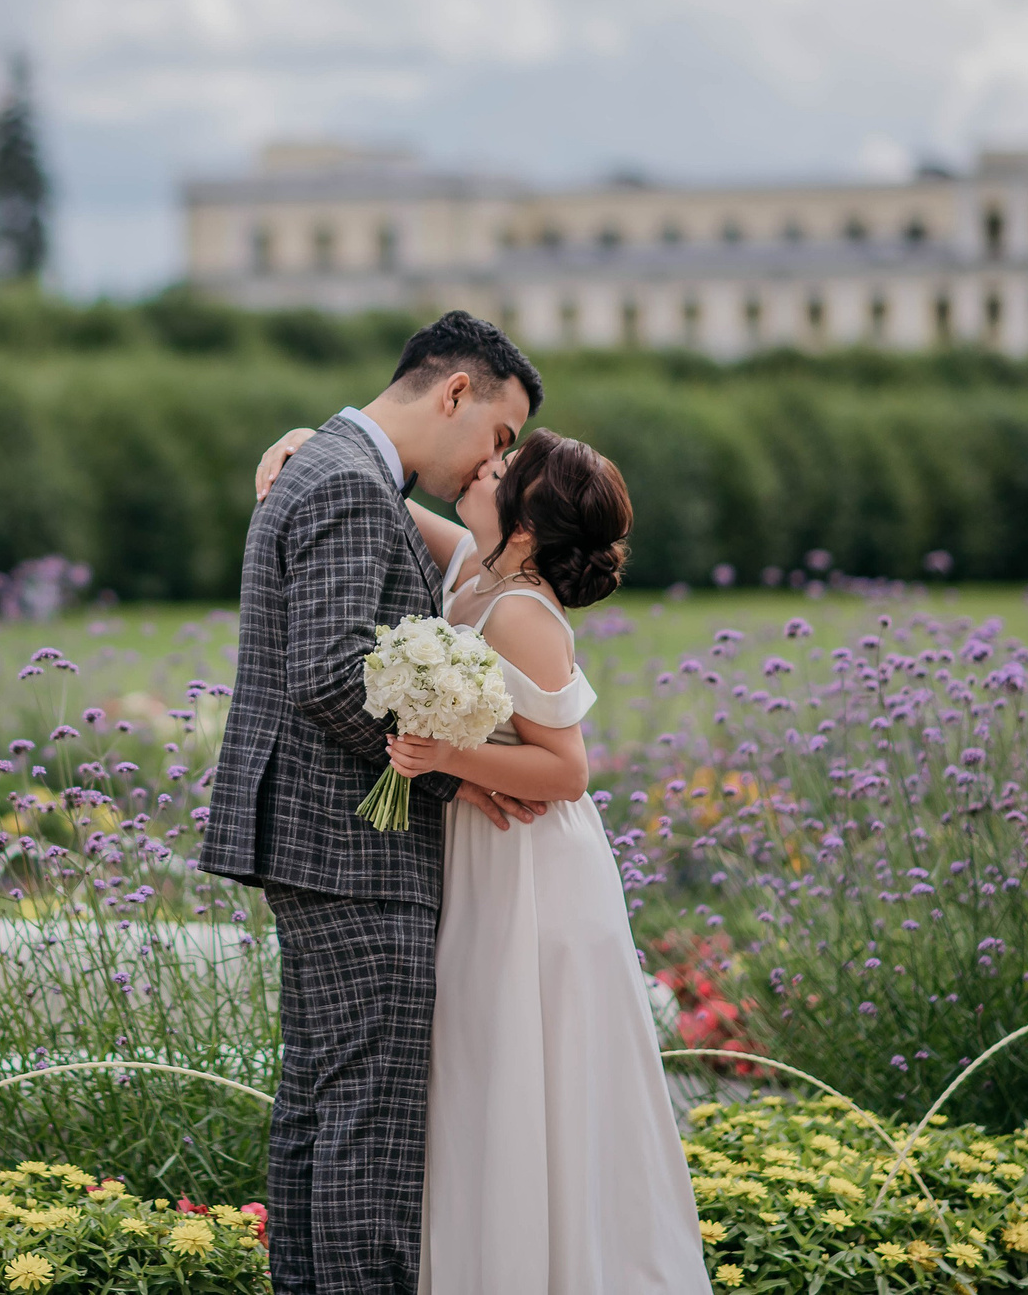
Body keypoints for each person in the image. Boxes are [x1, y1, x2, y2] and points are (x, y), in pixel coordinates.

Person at [251, 426, 712, 1295]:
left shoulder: (523, 612)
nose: (479, 469)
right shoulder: (473, 561)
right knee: (473, 1070)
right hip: (475, 852)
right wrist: (316, 438)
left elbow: (567, 770)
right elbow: (375, 491)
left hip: (532, 870)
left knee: (518, 1068)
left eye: (501, 470)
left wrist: (444, 758)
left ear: (528, 526)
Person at [200, 311, 546, 1295]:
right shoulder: (352, 485)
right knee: (369, 1149)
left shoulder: (337, 468)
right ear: (453, 394)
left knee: (319, 1124)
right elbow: (332, 675)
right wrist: (461, 768)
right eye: (497, 433)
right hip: (352, 851)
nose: (496, 459)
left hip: (315, 845)